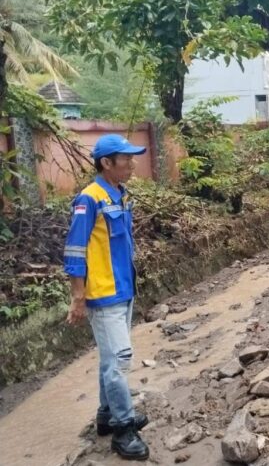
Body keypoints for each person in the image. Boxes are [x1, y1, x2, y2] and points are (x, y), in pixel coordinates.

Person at [64, 134, 150, 461]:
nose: (132, 164)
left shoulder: (119, 195)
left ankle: (106, 415)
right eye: (125, 158)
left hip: (124, 289)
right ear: (106, 163)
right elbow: (74, 249)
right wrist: (78, 296)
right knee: (118, 361)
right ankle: (123, 430)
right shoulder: (89, 199)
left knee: (109, 358)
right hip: (103, 293)